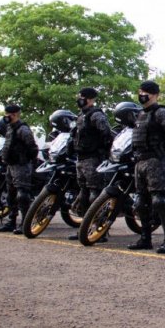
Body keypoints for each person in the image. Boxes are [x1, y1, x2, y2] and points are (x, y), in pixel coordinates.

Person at [127, 80, 165, 253]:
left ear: (155, 95)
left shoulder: (161, 113)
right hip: (140, 162)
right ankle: (145, 239)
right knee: (140, 202)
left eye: (146, 92)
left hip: (156, 162)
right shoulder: (140, 114)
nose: (142, 95)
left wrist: (164, 154)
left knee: (159, 201)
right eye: (140, 91)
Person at [68, 87, 113, 242]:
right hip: (81, 159)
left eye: (82, 97)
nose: (79, 99)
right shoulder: (81, 115)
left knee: (95, 194)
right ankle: (85, 228)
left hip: (93, 159)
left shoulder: (96, 115)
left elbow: (106, 134)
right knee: (84, 194)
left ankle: (100, 230)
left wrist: (103, 153)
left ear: (90, 99)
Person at [0, 104, 39, 234]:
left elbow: (32, 147)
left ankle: (25, 223)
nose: (6, 116)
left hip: (21, 165)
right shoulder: (10, 127)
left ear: (14, 115)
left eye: (8, 114)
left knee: (22, 195)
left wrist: (27, 160)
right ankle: (11, 221)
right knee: (11, 195)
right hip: (11, 165)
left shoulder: (23, 129)